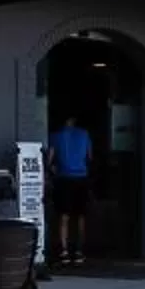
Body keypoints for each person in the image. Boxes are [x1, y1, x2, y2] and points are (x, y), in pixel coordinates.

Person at [46, 114, 94, 268]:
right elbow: (89, 156)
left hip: (63, 178)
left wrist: (53, 170)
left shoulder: (56, 136)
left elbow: (49, 160)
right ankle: (79, 251)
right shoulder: (84, 134)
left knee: (63, 217)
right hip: (81, 177)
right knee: (80, 216)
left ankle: (64, 252)